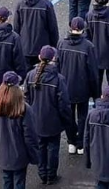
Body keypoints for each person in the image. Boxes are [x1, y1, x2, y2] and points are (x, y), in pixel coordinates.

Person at [26, 46, 75, 185]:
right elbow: (64, 103)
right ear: (54, 59)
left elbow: (26, 98)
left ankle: (42, 173)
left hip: (36, 120)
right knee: (53, 148)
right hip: (53, 121)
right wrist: (67, 120)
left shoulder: (30, 76)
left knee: (40, 146)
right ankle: (51, 175)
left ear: (40, 57)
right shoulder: (58, 79)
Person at [0, 72, 40, 189]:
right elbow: (29, 136)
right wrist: (34, 156)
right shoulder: (24, 108)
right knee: (19, 182)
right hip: (20, 155)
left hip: (2, 153)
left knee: (6, 181)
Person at [57, 17, 100, 155]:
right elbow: (93, 71)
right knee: (82, 116)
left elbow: (57, 66)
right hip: (82, 87)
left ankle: (71, 141)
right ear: (83, 29)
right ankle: (81, 143)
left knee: (68, 115)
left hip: (66, 86)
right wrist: (96, 92)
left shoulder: (62, 44)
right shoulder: (88, 46)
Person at [14, 0, 59, 69]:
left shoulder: (20, 4)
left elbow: (16, 26)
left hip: (24, 46)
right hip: (42, 46)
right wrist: (54, 45)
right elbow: (52, 27)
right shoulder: (46, 5)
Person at [0, 7, 28, 82]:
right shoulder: (14, 37)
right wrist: (21, 77)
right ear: (7, 19)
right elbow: (19, 60)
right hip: (9, 78)